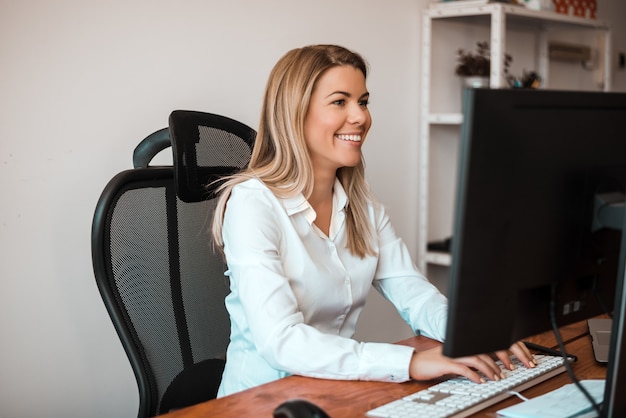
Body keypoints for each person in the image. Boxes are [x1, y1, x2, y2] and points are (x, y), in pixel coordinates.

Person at [211, 44, 535, 397]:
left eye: (363, 102)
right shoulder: (253, 205)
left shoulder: (361, 206)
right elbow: (281, 341)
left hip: (332, 389)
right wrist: (409, 362)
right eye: (340, 102)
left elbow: (414, 293)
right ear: (294, 113)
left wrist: (474, 335)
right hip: (259, 400)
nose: (360, 117)